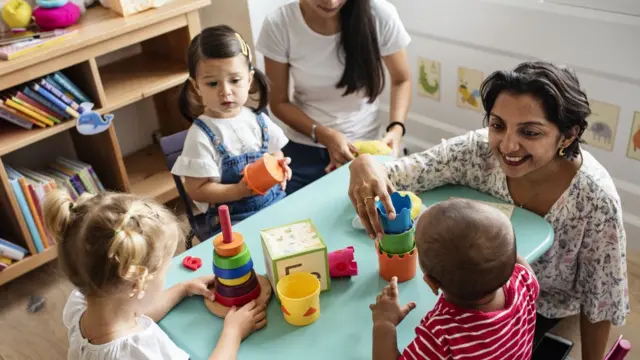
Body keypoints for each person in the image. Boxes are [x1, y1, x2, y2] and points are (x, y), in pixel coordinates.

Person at [349, 61, 629, 360]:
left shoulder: (596, 199)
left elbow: (600, 298)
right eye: (497, 125)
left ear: (568, 135)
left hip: (542, 307)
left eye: (530, 132)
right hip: (472, 292)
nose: (507, 145)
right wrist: (364, 163)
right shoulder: (475, 152)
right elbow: (400, 173)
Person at [43, 190, 267, 360]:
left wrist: (182, 289)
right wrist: (233, 332)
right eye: (165, 270)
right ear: (137, 284)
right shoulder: (140, 350)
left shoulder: (81, 305)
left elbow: (135, 312)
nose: (168, 276)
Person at [256, 0, 412, 194]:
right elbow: (278, 102)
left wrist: (396, 128)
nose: (331, 2)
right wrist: (324, 134)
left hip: (364, 146)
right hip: (304, 146)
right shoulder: (279, 24)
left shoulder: (380, 15)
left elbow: (401, 80)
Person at [370, 199, 540, 359]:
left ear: (432, 283)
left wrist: (385, 323)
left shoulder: (442, 335)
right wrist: (497, 250)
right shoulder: (524, 282)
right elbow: (518, 263)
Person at [172, 25, 292, 238]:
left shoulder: (258, 120)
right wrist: (238, 191)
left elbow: (276, 153)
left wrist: (278, 167)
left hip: (275, 204)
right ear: (196, 87)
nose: (225, 91)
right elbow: (196, 189)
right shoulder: (201, 136)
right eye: (212, 83)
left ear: (249, 79)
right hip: (234, 221)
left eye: (235, 80)